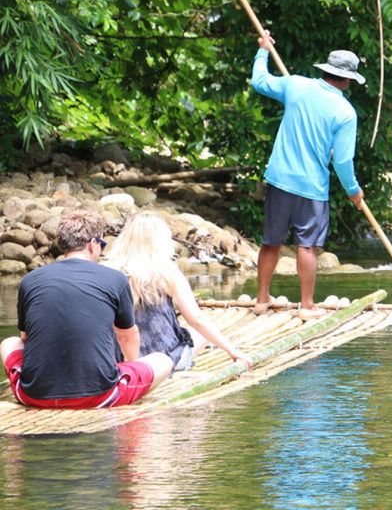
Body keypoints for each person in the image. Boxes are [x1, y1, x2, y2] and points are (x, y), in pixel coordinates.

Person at [0, 210, 173, 409]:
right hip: (100, 396)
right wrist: (131, 365)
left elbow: (25, 338)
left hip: (33, 395)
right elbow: (127, 336)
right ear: (92, 243)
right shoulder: (115, 279)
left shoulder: (29, 280)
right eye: (102, 244)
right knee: (162, 360)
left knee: (9, 342)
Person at [250, 31, 365, 317]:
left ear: (326, 70)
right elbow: (342, 161)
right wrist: (353, 190)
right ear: (349, 80)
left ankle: (262, 299)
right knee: (307, 245)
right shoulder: (345, 112)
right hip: (311, 186)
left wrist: (263, 50)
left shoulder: (296, 85)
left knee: (271, 240)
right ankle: (306, 306)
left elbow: (260, 81)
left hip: (279, 178)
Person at [103, 212, 253, 370]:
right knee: (200, 335)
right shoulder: (166, 273)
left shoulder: (108, 271)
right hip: (162, 361)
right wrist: (233, 351)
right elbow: (196, 319)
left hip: (119, 358)